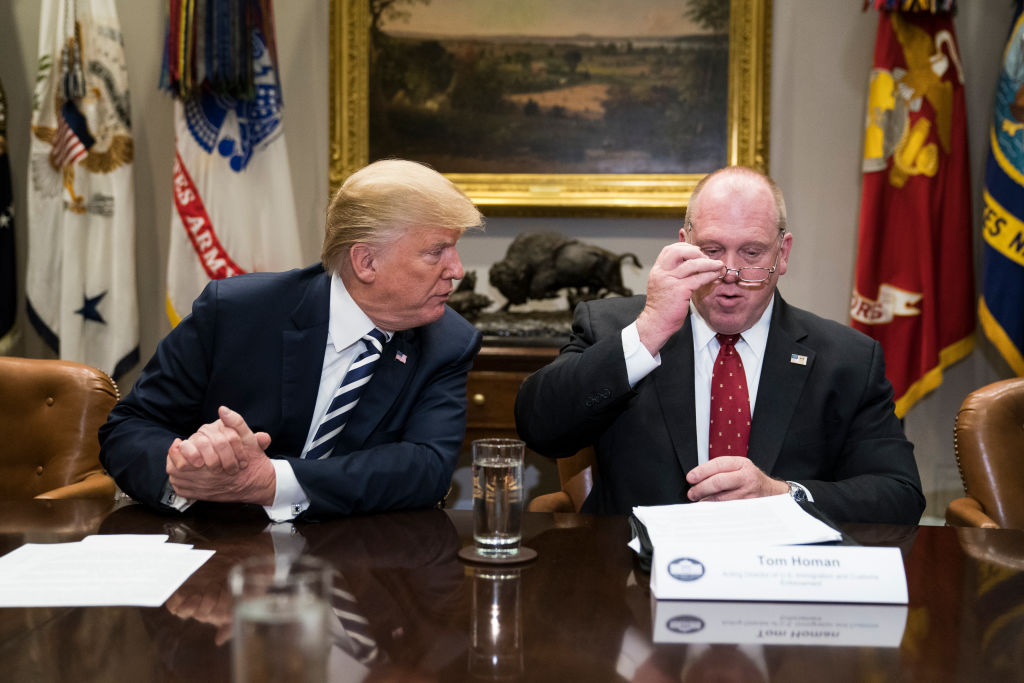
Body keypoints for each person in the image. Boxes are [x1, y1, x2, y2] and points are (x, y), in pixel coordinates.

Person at [514, 166, 924, 524]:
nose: (729, 273)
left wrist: (783, 496)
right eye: (711, 251)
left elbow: (899, 495)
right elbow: (540, 429)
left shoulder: (847, 359)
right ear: (682, 244)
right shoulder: (613, 328)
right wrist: (648, 332)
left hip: (781, 583)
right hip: (634, 585)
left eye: (751, 252)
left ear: (783, 254)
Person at [100, 159, 484, 521]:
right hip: (215, 541)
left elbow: (427, 468)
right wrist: (184, 468)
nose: (457, 270)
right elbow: (128, 428)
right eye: (437, 252)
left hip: (353, 561)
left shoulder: (448, 342)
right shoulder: (236, 312)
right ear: (366, 262)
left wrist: (272, 482)